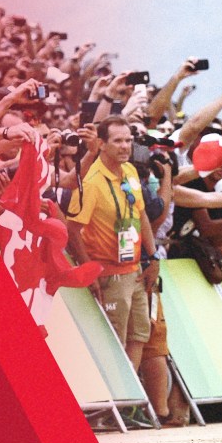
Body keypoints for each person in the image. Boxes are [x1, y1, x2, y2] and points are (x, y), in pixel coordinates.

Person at [66, 115, 160, 371]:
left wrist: (153, 258)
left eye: (129, 140)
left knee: (139, 335)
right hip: (110, 275)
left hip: (135, 270)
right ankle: (115, 402)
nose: (125, 146)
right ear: (101, 144)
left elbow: (141, 214)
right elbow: (71, 229)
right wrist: (89, 271)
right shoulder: (92, 182)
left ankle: (130, 405)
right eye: (117, 141)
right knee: (113, 341)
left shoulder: (129, 171)